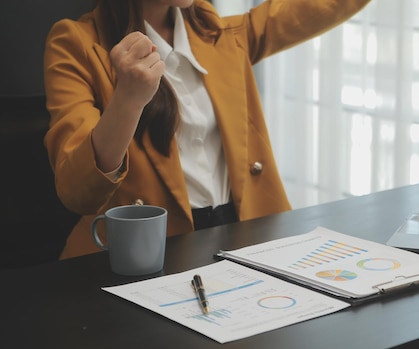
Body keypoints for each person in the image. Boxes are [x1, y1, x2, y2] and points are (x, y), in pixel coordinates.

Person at [43, 0, 371, 259]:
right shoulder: (76, 42)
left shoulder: (219, 33)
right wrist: (127, 100)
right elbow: (77, 190)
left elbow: (317, 6)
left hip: (249, 244)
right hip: (143, 260)